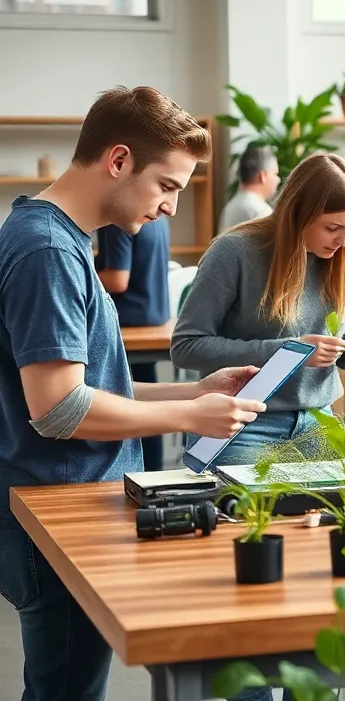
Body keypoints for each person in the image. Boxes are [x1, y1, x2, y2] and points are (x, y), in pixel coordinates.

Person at [0, 86, 267, 701]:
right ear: (117, 161)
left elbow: (88, 387)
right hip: (56, 512)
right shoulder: (47, 250)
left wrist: (190, 390)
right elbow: (59, 409)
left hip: (69, 504)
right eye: (168, 185)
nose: (173, 206)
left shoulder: (59, 238)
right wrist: (187, 414)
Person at [172, 154, 345, 468]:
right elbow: (186, 347)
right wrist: (290, 351)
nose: (344, 240)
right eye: (332, 227)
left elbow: (341, 325)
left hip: (320, 420)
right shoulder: (233, 252)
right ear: (298, 215)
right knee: (247, 518)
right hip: (242, 425)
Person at [96, 213, 171, 470]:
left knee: (125, 397)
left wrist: (79, 270)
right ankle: (153, 471)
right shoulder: (158, 217)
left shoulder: (120, 219)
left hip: (130, 320)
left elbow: (117, 279)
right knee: (144, 393)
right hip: (155, 315)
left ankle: (145, 471)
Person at [219, 145, 279, 231]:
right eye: (275, 174)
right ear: (263, 176)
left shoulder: (229, 207)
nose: (278, 179)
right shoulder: (262, 212)